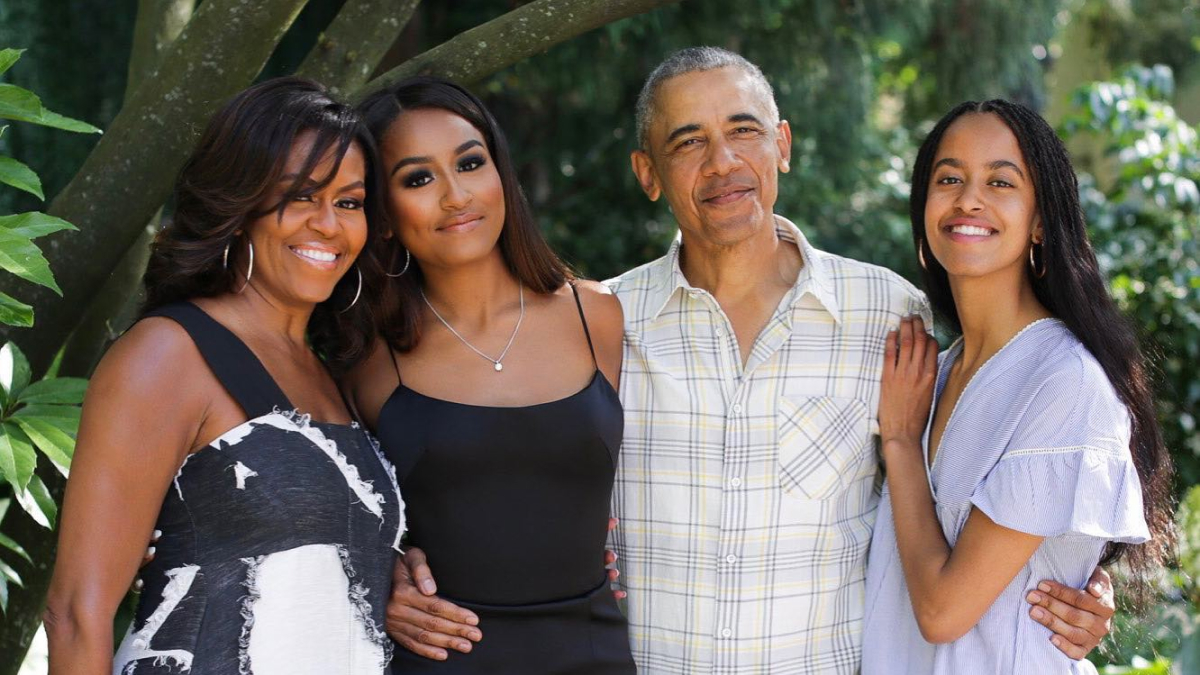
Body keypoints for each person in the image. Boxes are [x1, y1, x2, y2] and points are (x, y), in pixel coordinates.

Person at [385, 48, 1120, 674]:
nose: (723, 162)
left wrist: (1079, 575)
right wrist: (389, 563)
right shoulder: (599, 323)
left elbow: (966, 486)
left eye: (744, 131)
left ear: (783, 146)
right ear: (647, 172)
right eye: (688, 142)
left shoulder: (891, 318)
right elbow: (491, 468)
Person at [44, 77, 405, 675]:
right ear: (239, 206)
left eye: (349, 202)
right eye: (301, 196)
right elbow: (76, 613)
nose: (329, 224)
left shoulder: (329, 370)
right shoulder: (167, 355)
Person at [862, 100, 1174, 674]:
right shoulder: (931, 373)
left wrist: (901, 444)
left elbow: (942, 613)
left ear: (1039, 221)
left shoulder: (1063, 381)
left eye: (1000, 181)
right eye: (948, 179)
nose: (968, 199)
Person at [336, 77, 633, 673]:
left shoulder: (598, 315)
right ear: (383, 216)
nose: (456, 196)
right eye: (417, 179)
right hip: (439, 658)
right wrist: (381, 572)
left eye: (470, 164)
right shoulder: (365, 360)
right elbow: (332, 516)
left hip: (593, 655)